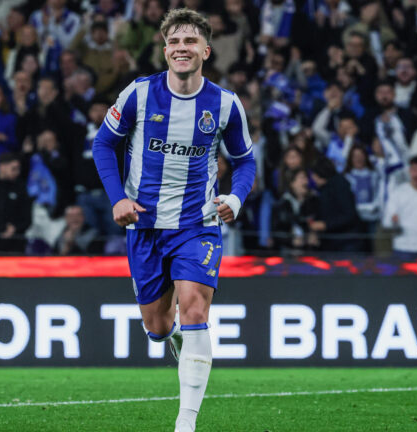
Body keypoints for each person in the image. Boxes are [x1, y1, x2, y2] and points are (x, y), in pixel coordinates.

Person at [91, 9, 256, 432]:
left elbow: (245, 162)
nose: (181, 48)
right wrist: (118, 199)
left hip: (196, 225)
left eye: (189, 41)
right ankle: (178, 340)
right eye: (174, 42)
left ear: (205, 50)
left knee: (195, 307)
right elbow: (104, 145)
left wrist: (235, 199)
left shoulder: (225, 104)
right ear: (166, 51)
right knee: (159, 326)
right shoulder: (138, 94)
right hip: (144, 225)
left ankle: (186, 422)